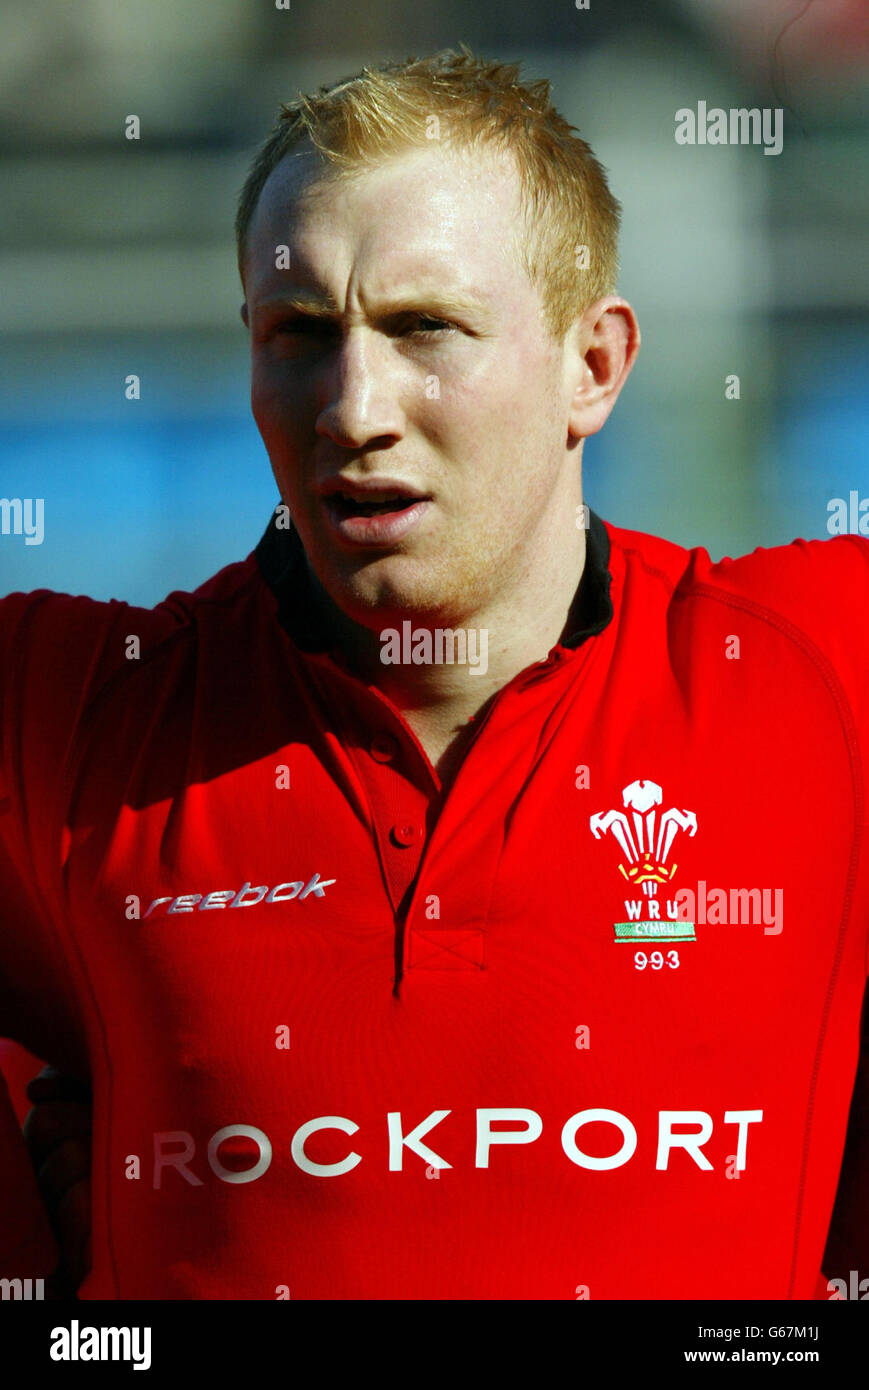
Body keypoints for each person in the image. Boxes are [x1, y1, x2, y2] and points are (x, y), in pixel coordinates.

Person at [1, 46, 867, 1300]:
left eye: (424, 328)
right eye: (298, 333)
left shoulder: (819, 672)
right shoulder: (67, 711)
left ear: (595, 365)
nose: (353, 406)